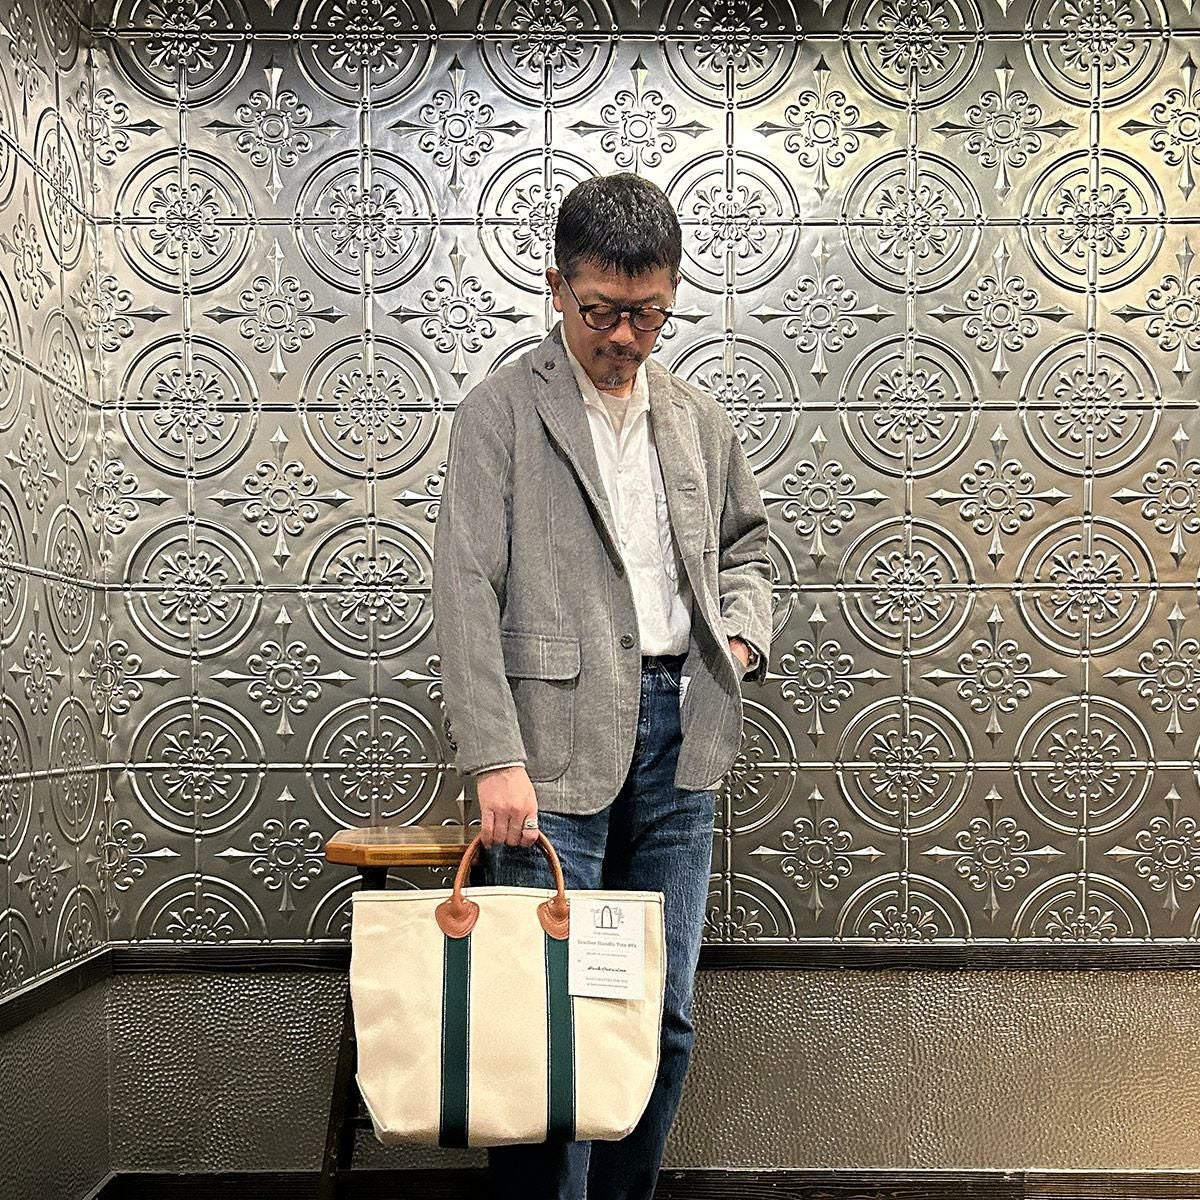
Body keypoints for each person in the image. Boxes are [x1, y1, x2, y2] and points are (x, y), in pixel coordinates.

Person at [431, 172, 772, 1200]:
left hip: (681, 737)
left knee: (658, 1014)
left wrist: (739, 641)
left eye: (649, 315)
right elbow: (464, 588)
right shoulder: (500, 412)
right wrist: (495, 757)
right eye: (602, 311)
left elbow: (749, 550)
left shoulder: (698, 418)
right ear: (556, 287)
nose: (625, 337)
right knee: (543, 1016)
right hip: (548, 748)